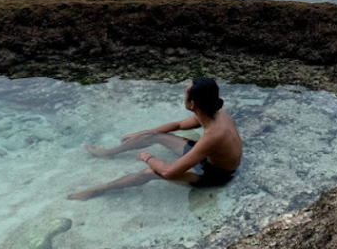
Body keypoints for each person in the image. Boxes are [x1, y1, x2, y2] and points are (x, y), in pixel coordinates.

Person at [67, 77, 242, 200]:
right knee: (156, 136)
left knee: (151, 172)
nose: (183, 96)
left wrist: (148, 158)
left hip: (215, 174)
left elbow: (169, 171)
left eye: (185, 93)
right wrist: (143, 134)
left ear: (192, 104)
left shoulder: (212, 136)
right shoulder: (215, 111)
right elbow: (179, 125)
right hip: (208, 156)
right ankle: (108, 153)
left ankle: (98, 190)